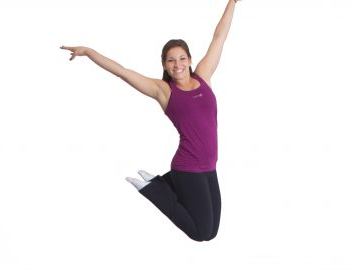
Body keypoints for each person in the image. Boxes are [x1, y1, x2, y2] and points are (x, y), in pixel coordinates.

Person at [61, 1, 242, 242]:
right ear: (164, 65)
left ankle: (164, 182)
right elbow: (122, 72)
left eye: (181, 58)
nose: (177, 65)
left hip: (209, 166)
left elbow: (219, 37)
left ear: (189, 59)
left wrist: (232, 2)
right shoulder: (163, 91)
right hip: (188, 167)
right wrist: (89, 52)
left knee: (212, 232)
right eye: (170, 60)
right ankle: (153, 189)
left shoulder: (204, 75)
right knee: (200, 233)